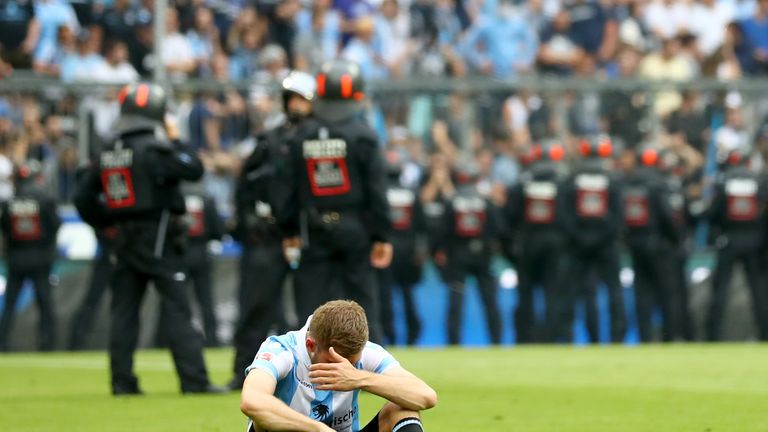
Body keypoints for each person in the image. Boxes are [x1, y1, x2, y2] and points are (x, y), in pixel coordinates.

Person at [72, 82, 224, 394]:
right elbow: (194, 169)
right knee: (178, 308)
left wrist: (107, 225)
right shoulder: (154, 150)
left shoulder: (108, 152)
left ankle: (122, 381)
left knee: (124, 312)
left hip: (122, 241)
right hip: (158, 240)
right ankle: (194, 381)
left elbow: (82, 198)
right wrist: (176, 137)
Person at [275, 60, 393, 344]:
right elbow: (377, 190)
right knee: (364, 306)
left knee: (310, 310)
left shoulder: (299, 135)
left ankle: (305, 374)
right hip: (355, 229)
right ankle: (372, 373)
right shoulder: (364, 135)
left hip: (312, 228)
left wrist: (289, 231)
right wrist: (382, 235)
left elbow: (286, 190)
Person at [228, 70, 315, 391]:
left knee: (313, 310)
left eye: (301, 99)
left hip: (310, 237)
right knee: (257, 306)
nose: (295, 106)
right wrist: (249, 218)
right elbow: (245, 184)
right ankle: (244, 373)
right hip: (271, 236)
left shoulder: (321, 138)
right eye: (291, 99)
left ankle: (315, 379)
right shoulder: (270, 139)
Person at [240, 299, 437, 432]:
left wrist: (360, 378)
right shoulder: (282, 350)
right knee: (261, 419)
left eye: (351, 364)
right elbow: (251, 401)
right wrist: (318, 429)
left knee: (403, 408)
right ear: (311, 345)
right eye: (333, 362)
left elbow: (426, 396)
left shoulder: (365, 351)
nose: (342, 369)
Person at [560, 135, 626, 343]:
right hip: (606, 244)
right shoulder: (612, 180)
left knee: (581, 293)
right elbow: (619, 215)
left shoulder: (571, 180)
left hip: (577, 244)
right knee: (614, 291)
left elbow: (563, 214)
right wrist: (603, 236)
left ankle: (579, 337)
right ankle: (617, 338)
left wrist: (580, 237)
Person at [504, 141, 569, 343]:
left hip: (528, 242)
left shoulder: (523, 182)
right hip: (555, 242)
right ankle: (553, 336)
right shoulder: (562, 183)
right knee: (553, 292)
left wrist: (511, 246)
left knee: (526, 294)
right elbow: (569, 216)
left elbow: (509, 216)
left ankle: (526, 337)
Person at [703, 148, 768, 341]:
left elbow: (713, 213)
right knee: (759, 292)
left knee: (721, 289)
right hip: (755, 240)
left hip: (729, 239)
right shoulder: (759, 181)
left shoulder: (724, 181)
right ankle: (765, 334)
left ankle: (713, 335)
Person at [436, 162, 502, 345]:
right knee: (490, 301)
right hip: (482, 255)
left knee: (456, 301)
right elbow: (497, 229)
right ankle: (496, 341)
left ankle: (453, 342)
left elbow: (442, 231)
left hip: (458, 256)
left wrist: (441, 252)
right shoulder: (486, 201)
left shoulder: (452, 201)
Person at [0, 161, 61, 352]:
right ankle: (47, 345)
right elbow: (55, 224)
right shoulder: (44, 198)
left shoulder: (10, 201)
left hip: (17, 258)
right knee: (45, 304)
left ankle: (2, 344)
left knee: (9, 304)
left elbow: (4, 227)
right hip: (40, 257)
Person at [622, 147, 680, 342]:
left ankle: (644, 337)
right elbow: (666, 217)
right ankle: (669, 336)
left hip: (635, 244)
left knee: (642, 295)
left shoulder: (628, 184)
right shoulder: (658, 184)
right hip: (658, 244)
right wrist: (676, 239)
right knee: (667, 294)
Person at [68, 225, 117, 350]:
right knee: (124, 306)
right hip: (117, 259)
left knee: (92, 302)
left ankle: (76, 343)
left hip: (112, 259)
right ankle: (76, 343)